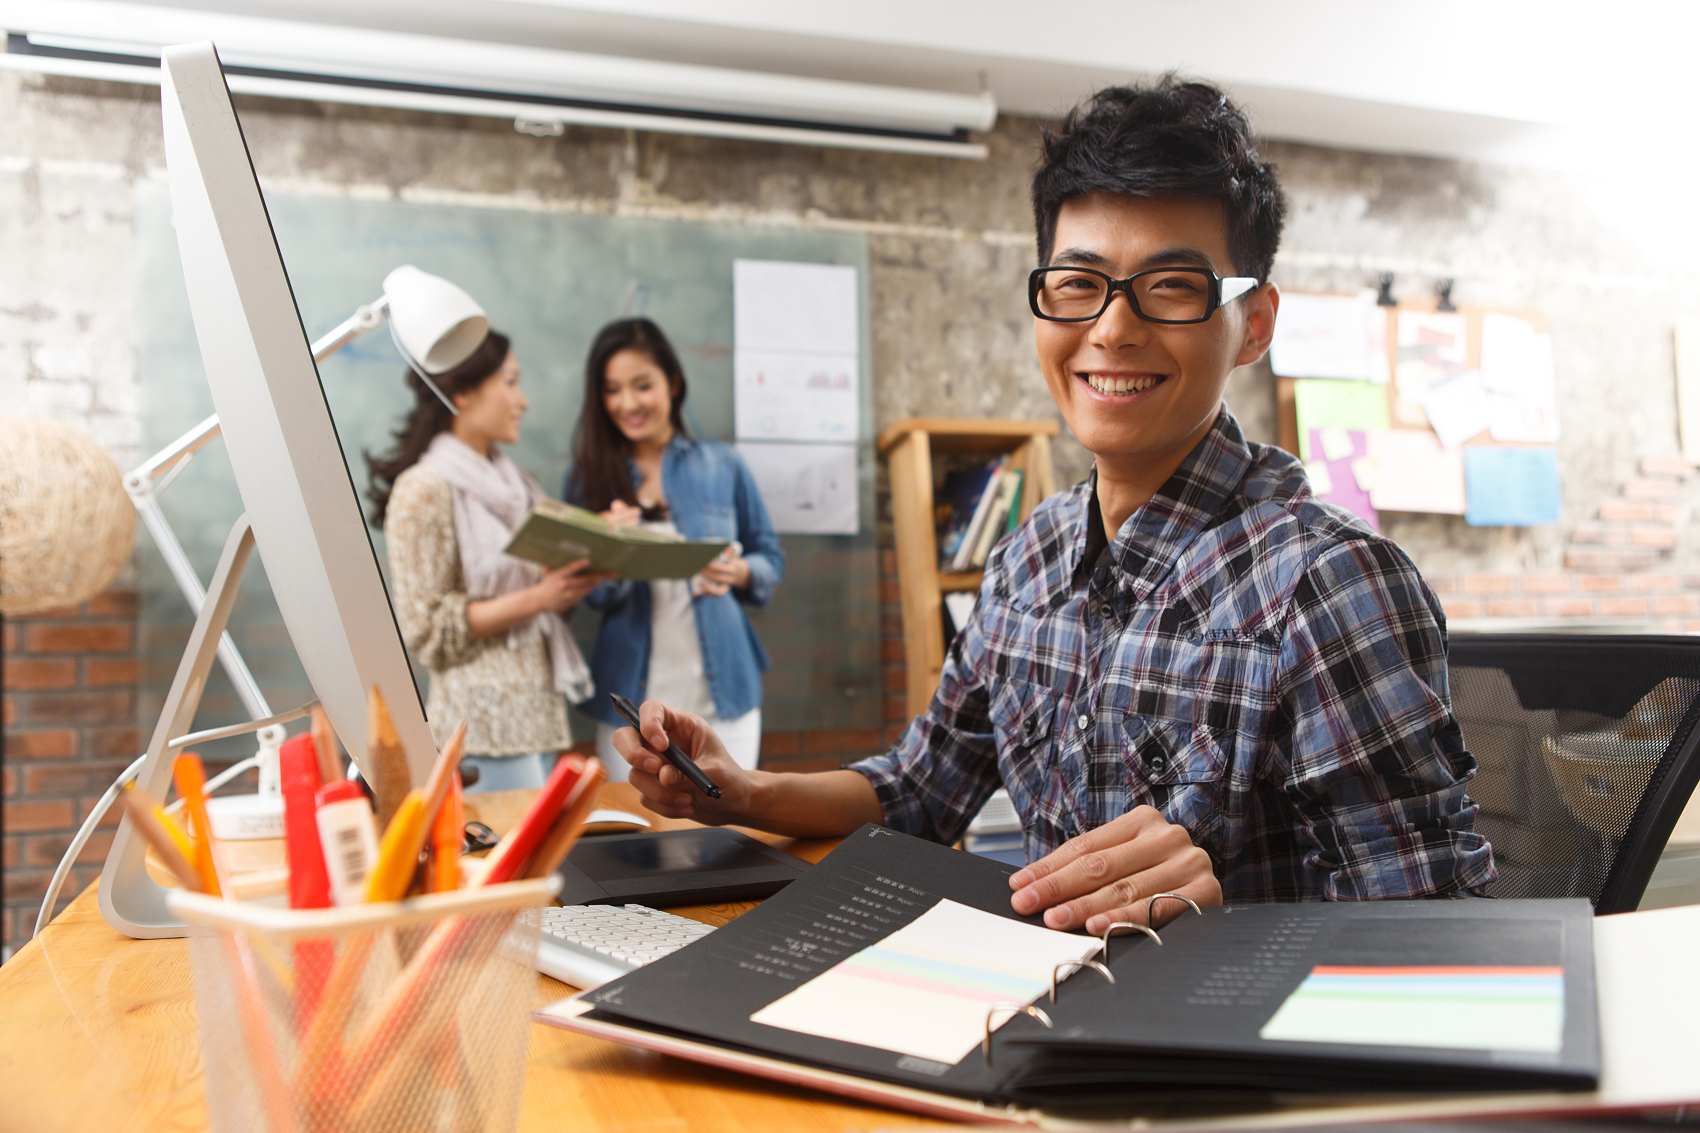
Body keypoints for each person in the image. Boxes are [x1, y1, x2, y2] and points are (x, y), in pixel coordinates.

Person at [613, 77, 1497, 928]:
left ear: (1254, 324)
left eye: (1173, 286)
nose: (1113, 328)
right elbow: (921, 788)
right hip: (1032, 1024)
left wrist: (1228, 910)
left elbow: (1437, 943)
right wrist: (741, 790)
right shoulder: (1029, 556)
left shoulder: (1328, 582)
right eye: (1078, 283)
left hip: (1228, 1067)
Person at [369, 330, 609, 792]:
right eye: (511, 382)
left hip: (538, 715)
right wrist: (539, 597)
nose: (523, 402)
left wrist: (590, 553)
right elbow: (425, 630)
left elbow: (540, 593)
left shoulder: (515, 483)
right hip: (477, 727)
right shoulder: (424, 487)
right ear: (462, 392)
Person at [565, 318, 786, 778]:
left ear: (674, 383)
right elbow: (591, 596)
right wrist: (611, 552)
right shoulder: (588, 479)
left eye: (642, 386)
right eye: (611, 390)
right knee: (640, 835)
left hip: (725, 692)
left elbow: (770, 559)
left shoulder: (723, 464)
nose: (627, 403)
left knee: (730, 825)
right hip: (631, 697)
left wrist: (740, 572)